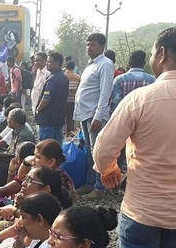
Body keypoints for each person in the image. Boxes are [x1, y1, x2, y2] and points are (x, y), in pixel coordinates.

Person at [93, 27, 176, 248]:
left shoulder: (141, 99)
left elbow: (103, 150)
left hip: (142, 210)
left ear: (160, 54)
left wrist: (110, 170)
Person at [0, 139, 73, 213]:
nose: (33, 160)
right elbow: (6, 189)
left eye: (37, 157)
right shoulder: (35, 174)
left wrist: (16, 210)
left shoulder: (56, 180)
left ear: (51, 162)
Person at [73, 33, 114, 198]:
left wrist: (98, 116)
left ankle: (99, 187)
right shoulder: (90, 65)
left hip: (94, 115)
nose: (89, 48)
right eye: (87, 44)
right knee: (90, 151)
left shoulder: (105, 64)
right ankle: (90, 183)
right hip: (85, 114)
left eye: (93, 45)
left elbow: (105, 93)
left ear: (102, 46)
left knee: (97, 151)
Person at [108, 50, 156, 174]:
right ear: (144, 63)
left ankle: (117, 180)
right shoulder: (153, 81)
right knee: (139, 152)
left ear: (129, 62)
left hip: (124, 121)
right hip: (146, 122)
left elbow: (116, 103)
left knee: (119, 152)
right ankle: (133, 175)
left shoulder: (119, 80)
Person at [0, 109, 36, 188]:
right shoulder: (16, 131)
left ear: (13, 120)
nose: (7, 120)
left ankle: (3, 190)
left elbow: (18, 157)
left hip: (22, 164)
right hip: (15, 159)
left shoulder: (23, 134)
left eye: (8, 118)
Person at [35, 52, 69, 143]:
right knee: (57, 144)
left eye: (49, 62)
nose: (47, 64)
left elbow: (46, 99)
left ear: (57, 63)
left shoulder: (52, 80)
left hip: (48, 119)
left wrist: (38, 109)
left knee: (45, 145)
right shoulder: (63, 77)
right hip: (59, 117)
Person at [64, 60, 81, 136]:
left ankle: (63, 134)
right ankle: (68, 134)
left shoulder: (62, 76)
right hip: (73, 101)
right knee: (70, 119)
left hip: (63, 101)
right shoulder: (78, 77)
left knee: (63, 119)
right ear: (74, 67)